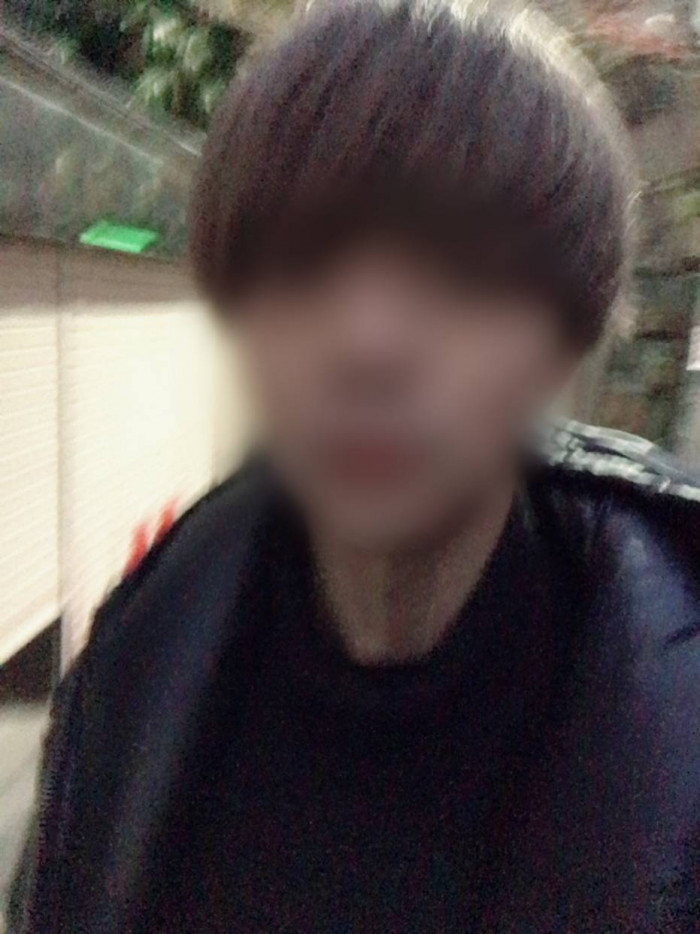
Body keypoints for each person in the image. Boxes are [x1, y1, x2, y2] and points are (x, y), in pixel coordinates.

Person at [10, 1, 700, 931]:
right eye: (303, 263)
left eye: (462, 273)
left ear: (567, 341)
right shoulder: (133, 671)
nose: (367, 343)